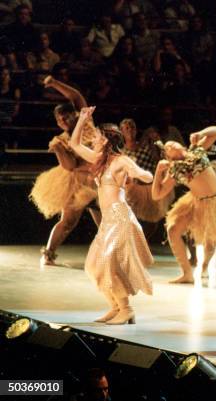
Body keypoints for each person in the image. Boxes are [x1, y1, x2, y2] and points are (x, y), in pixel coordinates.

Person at [71, 106, 153, 325]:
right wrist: (82, 119)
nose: (93, 140)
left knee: (108, 262)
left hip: (120, 216)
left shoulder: (120, 161)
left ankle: (126, 309)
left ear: (106, 140)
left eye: (97, 137)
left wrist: (142, 174)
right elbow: (74, 144)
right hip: (108, 220)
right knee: (92, 265)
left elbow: (143, 174)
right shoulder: (100, 159)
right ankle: (115, 307)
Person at [151, 126, 216, 283]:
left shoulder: (197, 150)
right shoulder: (174, 170)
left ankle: (204, 266)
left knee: (209, 242)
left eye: (172, 143)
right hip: (195, 202)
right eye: (167, 147)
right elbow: (157, 195)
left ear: (181, 145)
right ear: (167, 156)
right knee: (172, 230)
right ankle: (187, 273)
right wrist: (158, 171)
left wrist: (200, 133)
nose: (170, 145)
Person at [30, 76, 99, 267]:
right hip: (77, 185)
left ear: (75, 114)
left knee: (105, 223)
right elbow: (69, 166)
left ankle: (111, 256)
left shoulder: (86, 123)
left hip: (98, 181)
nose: (63, 121)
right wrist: (60, 150)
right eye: (59, 119)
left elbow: (76, 96)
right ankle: (48, 253)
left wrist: (54, 84)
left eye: (66, 116)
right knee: (68, 222)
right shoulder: (60, 141)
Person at [119, 118, 174, 224]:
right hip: (133, 191)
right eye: (127, 128)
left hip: (150, 189)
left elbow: (158, 159)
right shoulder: (122, 152)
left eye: (132, 127)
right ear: (121, 132)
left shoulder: (146, 147)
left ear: (136, 130)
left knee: (151, 221)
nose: (130, 130)